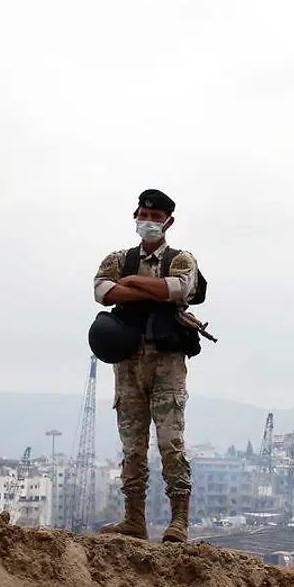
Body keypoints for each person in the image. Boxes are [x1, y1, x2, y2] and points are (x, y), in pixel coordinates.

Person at [92, 189, 202, 542]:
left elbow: (180, 289)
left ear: (168, 222)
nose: (149, 222)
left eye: (156, 218)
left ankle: (178, 522)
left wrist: (135, 283)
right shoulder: (117, 259)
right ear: (136, 216)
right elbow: (103, 291)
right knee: (132, 446)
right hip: (128, 362)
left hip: (166, 361)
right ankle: (133, 519)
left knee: (171, 442)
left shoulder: (180, 259)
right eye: (144, 215)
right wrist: (153, 291)